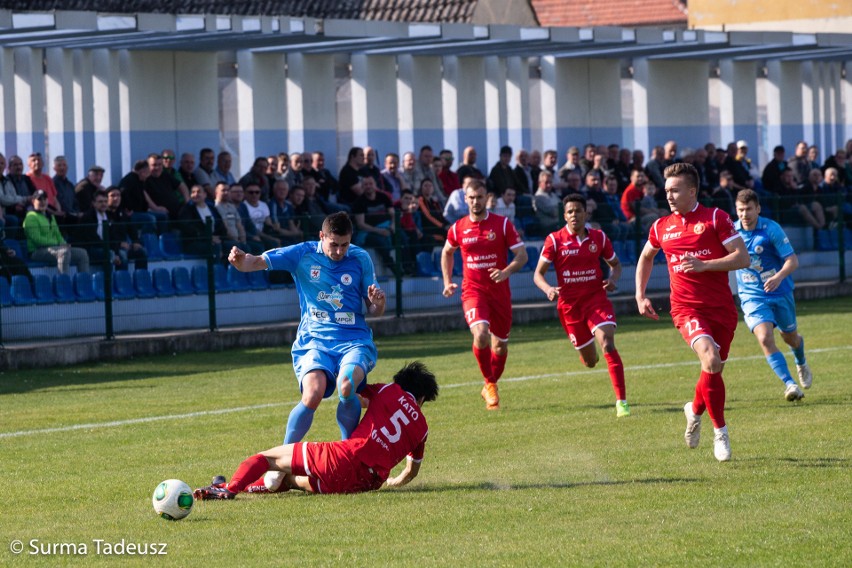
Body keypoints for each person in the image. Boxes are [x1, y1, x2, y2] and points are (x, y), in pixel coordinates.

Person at [227, 212, 387, 456]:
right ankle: (281, 458)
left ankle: (350, 453)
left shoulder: (360, 258)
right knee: (312, 394)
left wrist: (378, 303)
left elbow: (374, 311)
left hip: (354, 340)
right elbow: (255, 262)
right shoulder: (302, 253)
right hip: (314, 340)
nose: (339, 251)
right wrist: (241, 262)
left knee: (346, 387)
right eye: (334, 244)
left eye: (345, 245)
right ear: (321, 236)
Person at [635, 163, 749, 462]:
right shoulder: (661, 226)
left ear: (692, 191)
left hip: (721, 309)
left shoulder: (715, 217)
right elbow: (646, 257)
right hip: (686, 308)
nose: (669, 196)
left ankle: (694, 409)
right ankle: (721, 433)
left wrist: (705, 265)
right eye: (667, 190)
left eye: (675, 190)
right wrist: (640, 294)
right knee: (710, 359)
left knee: (713, 369)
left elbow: (742, 257)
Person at [193, 361, 438, 499]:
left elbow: (351, 393)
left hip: (343, 458)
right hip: (368, 482)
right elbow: (411, 472)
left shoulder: (388, 390)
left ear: (401, 383)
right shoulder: (423, 429)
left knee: (267, 459)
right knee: (286, 480)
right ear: (423, 398)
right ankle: (229, 485)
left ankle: (229, 489)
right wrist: (392, 483)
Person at [533, 194, 629, 418]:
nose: (574, 215)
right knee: (590, 362)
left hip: (596, 300)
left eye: (578, 211)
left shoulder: (599, 238)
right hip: (570, 308)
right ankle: (587, 353)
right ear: (564, 216)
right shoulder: (555, 240)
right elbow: (538, 274)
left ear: (586, 213)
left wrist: (613, 280)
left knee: (607, 343)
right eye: (569, 212)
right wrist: (548, 289)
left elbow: (615, 265)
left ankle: (622, 402)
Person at [441, 179, 527, 410]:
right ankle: (490, 384)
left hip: (499, 294)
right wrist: (448, 281)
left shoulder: (503, 224)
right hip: (473, 292)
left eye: (480, 197)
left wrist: (506, 271)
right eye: (472, 197)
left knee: (500, 347)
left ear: (486, 197)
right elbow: (447, 252)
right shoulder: (458, 227)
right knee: (480, 335)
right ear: (465, 199)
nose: (476, 201)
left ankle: (490, 383)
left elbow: (522, 255)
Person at [733, 190, 812, 401]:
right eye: (740, 210)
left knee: (791, 338)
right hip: (752, 297)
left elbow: (792, 261)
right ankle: (790, 384)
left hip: (781, 292)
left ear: (758, 209)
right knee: (764, 337)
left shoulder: (771, 229)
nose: (745, 214)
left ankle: (801, 360)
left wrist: (778, 277)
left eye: (749, 209)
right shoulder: (732, 232)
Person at [23, 190, 90, 274]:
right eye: (39, 199)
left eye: (45, 199)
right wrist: (58, 244)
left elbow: (57, 234)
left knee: (82, 253)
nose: (43, 202)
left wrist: (64, 243)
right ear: (33, 201)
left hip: (54, 248)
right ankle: (63, 283)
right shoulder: (31, 217)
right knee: (63, 252)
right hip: (37, 251)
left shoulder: (50, 216)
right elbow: (37, 240)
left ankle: (84, 284)